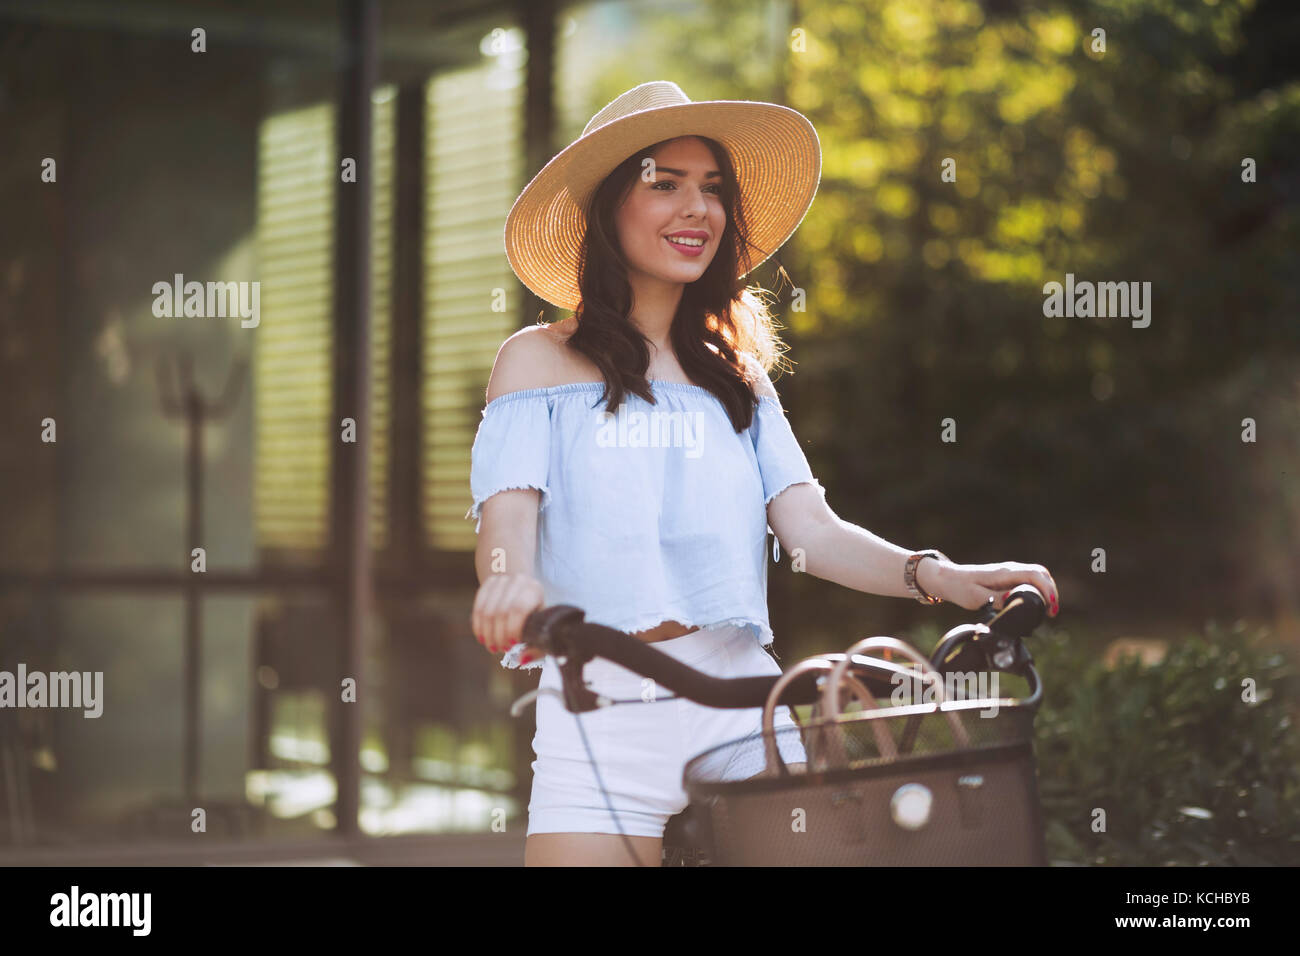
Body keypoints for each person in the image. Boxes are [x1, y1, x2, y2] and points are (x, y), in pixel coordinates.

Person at [466, 81, 1060, 866]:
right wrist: (510, 584)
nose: (697, 209)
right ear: (608, 207)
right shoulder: (537, 361)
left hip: (743, 705)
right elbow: (507, 523)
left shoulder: (737, 377)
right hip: (598, 714)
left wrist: (939, 576)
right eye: (665, 184)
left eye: (713, 189)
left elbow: (810, 530)